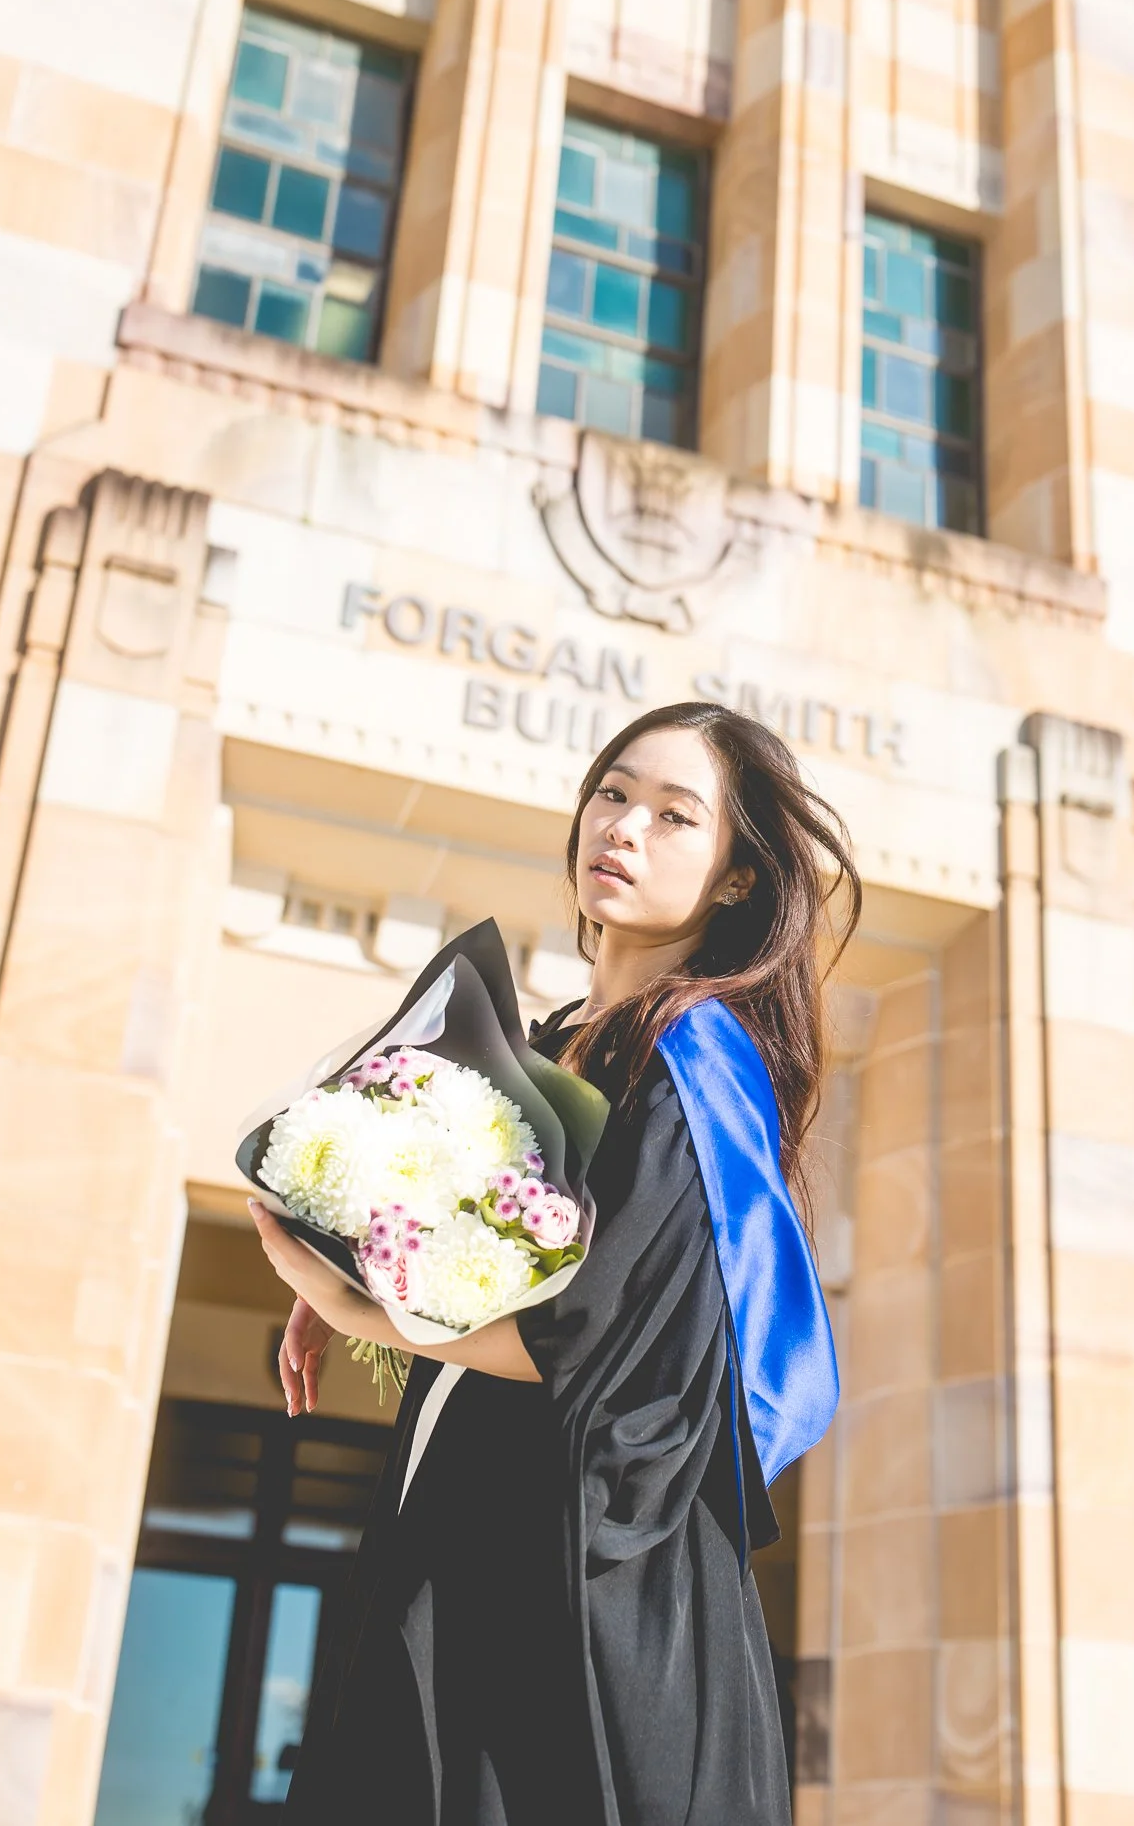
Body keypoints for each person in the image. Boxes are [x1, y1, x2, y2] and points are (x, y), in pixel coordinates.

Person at [250, 701, 861, 1826]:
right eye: (614, 793)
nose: (622, 827)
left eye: (676, 817)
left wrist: (351, 1308)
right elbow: (450, 1258)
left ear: (736, 879)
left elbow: (598, 1339)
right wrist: (354, 1265)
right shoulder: (549, 1043)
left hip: (573, 1589)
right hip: (466, 1525)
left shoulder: (698, 1066)